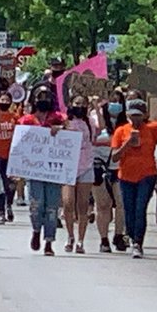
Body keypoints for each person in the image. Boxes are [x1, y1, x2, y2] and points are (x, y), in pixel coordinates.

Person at [111, 97, 157, 258]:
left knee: (140, 209)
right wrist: (127, 144)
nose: (135, 119)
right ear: (127, 115)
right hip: (126, 176)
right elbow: (114, 157)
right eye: (133, 115)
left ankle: (138, 242)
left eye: (139, 115)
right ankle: (131, 236)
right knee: (129, 210)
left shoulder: (151, 129)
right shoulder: (121, 131)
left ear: (144, 115)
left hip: (146, 176)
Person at [19, 87, 67, 255]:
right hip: (34, 170)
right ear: (34, 99)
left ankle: (49, 241)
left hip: (53, 170)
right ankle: (36, 230)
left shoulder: (59, 118)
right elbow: (20, 143)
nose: (43, 98)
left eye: (47, 95)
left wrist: (60, 131)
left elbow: (70, 135)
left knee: (52, 206)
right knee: (36, 204)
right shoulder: (26, 120)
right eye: (40, 96)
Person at [92, 90, 128, 253]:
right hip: (99, 166)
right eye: (112, 100)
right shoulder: (95, 118)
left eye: (118, 101)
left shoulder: (126, 123)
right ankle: (103, 239)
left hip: (119, 168)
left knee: (121, 203)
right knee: (103, 205)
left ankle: (119, 235)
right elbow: (95, 130)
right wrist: (96, 108)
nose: (115, 104)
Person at [61, 93, 97, 254]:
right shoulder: (65, 121)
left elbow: (100, 128)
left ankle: (81, 240)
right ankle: (70, 235)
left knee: (83, 205)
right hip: (68, 166)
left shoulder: (89, 122)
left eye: (83, 104)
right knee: (68, 203)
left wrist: (96, 108)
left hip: (86, 165)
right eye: (77, 103)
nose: (80, 106)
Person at [0, 91, 18, 223]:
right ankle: (0, 211)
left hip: (12, 156)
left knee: (11, 184)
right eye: (2, 100)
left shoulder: (14, 117)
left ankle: (9, 205)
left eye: (7, 100)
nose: (5, 102)